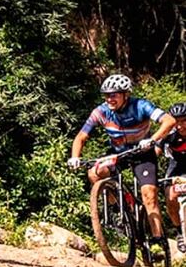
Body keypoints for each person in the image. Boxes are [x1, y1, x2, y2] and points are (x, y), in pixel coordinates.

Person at [68, 74, 176, 249]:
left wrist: (152, 139)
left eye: (114, 95)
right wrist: (75, 157)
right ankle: (118, 209)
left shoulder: (141, 106)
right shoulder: (100, 112)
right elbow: (81, 136)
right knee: (95, 173)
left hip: (143, 154)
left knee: (149, 195)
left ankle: (157, 238)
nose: (109, 99)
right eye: (106, 95)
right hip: (119, 154)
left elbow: (169, 121)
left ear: (126, 94)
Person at [159, 102, 186, 252]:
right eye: (176, 122)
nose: (180, 126)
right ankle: (179, 232)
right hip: (177, 167)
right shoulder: (169, 135)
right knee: (170, 195)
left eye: (184, 121)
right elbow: (155, 152)